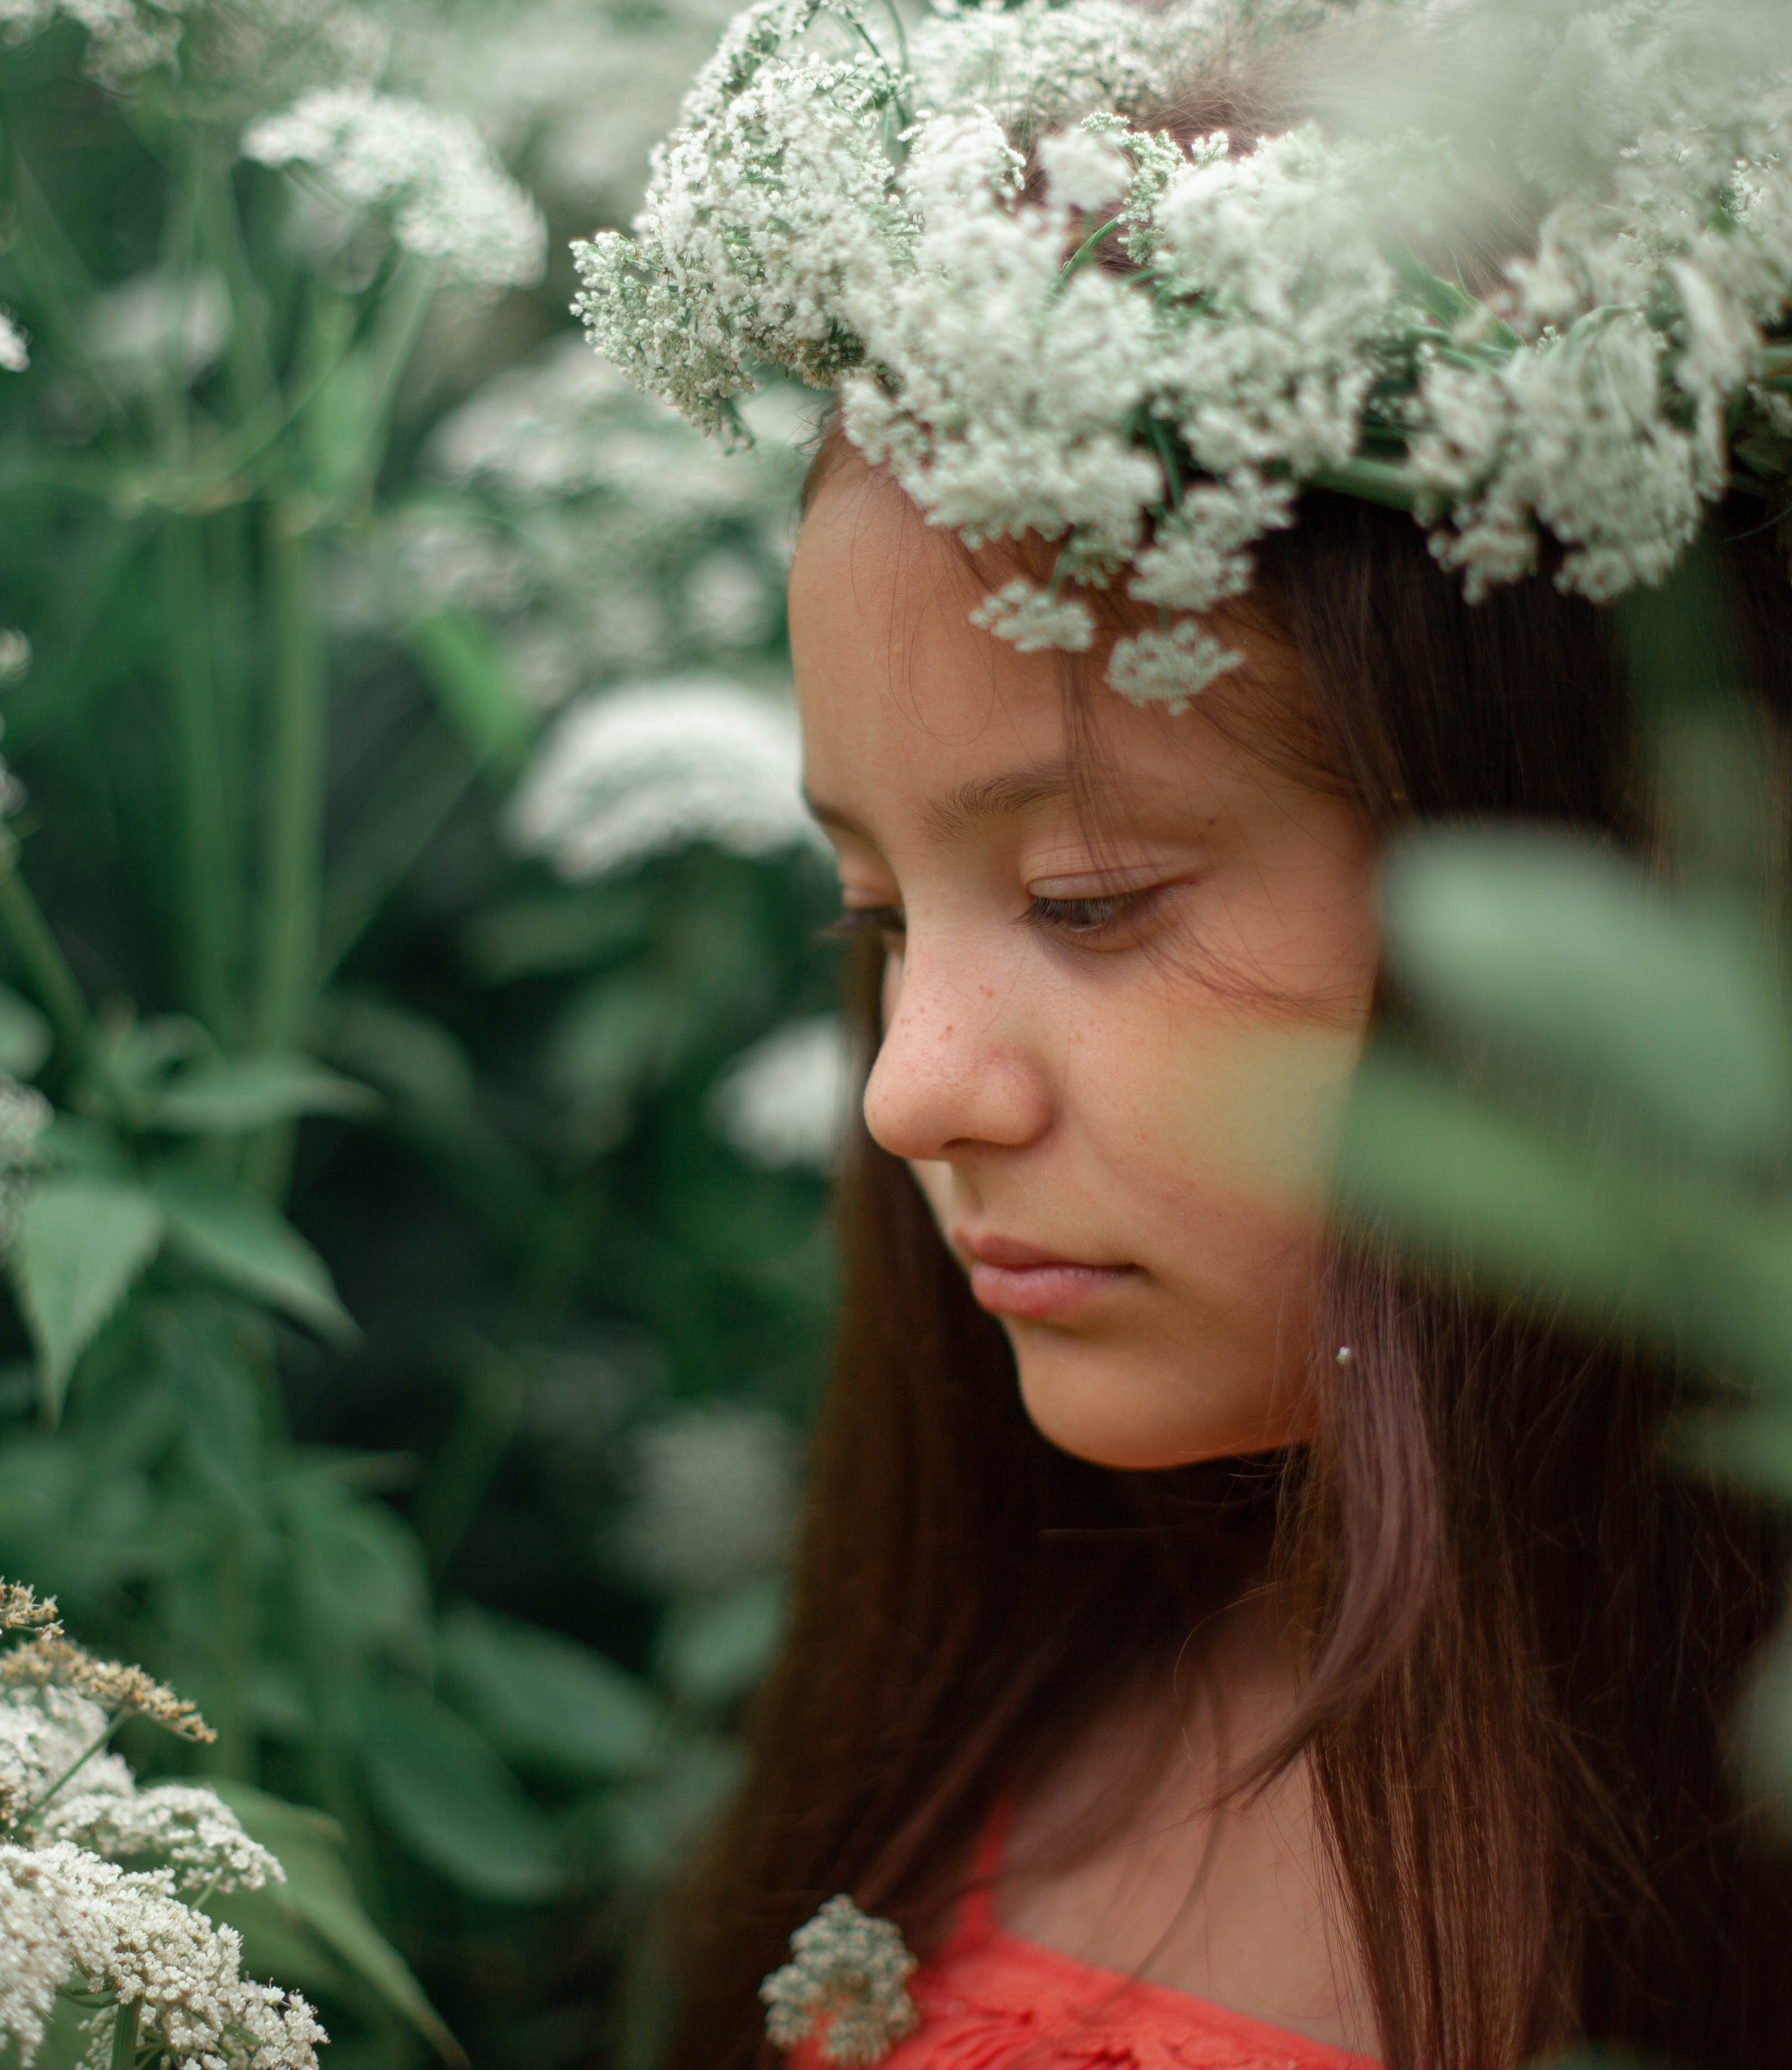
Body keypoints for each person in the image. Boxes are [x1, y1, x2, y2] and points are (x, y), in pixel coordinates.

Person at [574, 2, 1792, 2064]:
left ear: (1609, 874)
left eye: (1084, 902)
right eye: (869, 918)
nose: (906, 1087)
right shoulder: (1005, 1702)